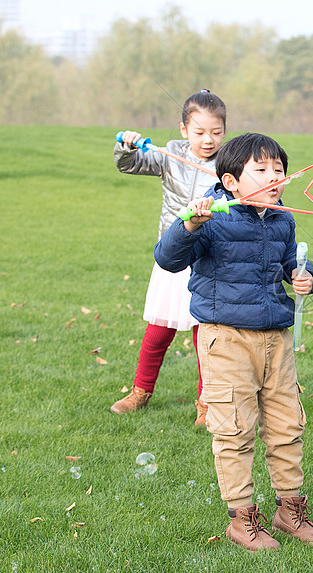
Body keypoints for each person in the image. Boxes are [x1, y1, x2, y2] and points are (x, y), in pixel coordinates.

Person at [154, 133, 313, 551]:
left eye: (279, 170)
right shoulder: (213, 216)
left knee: (287, 425)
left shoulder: (283, 219)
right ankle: (242, 517)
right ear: (231, 182)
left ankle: (290, 510)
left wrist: (306, 276)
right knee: (235, 429)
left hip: (276, 340)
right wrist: (191, 223)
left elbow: (292, 264)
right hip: (226, 339)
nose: (274, 177)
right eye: (261, 170)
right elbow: (168, 258)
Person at [110, 90, 226, 426]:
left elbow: (249, 189)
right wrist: (127, 145)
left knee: (203, 331)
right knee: (159, 330)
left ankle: (207, 404)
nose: (208, 140)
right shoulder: (169, 154)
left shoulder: (228, 163)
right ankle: (140, 391)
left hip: (208, 256)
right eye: (200, 132)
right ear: (183, 130)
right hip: (173, 253)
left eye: (216, 132)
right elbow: (128, 165)